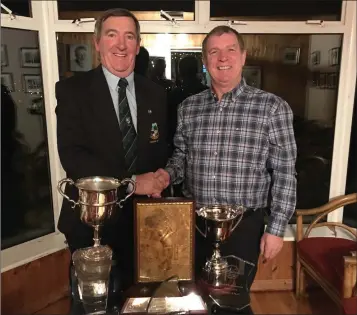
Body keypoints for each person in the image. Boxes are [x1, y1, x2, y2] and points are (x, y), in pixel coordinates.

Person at [155, 25, 297, 313]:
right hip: (195, 224)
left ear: (243, 57)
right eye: (214, 52)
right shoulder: (188, 108)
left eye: (231, 50)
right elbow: (181, 158)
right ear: (205, 61)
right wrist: (166, 175)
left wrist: (277, 229)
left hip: (243, 226)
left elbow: (284, 172)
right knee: (196, 298)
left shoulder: (272, 108)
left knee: (232, 301)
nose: (223, 58)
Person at [55, 8, 169, 302]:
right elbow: (73, 157)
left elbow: (161, 149)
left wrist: (161, 176)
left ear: (138, 44)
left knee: (142, 302)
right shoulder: (72, 91)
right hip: (91, 221)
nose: (121, 44)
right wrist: (131, 182)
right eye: (112, 35)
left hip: (144, 222)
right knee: (92, 305)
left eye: (129, 36)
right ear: (97, 42)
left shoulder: (155, 94)